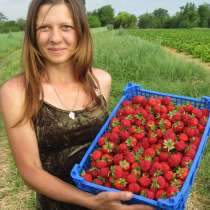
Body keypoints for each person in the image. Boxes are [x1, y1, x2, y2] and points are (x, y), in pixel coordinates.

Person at [0, 0, 154, 210]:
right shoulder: (16, 91)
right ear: (32, 34)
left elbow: (103, 144)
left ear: (80, 31)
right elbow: (30, 170)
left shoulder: (100, 80)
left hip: (109, 197)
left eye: (66, 27)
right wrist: (90, 202)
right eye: (44, 28)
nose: (55, 38)